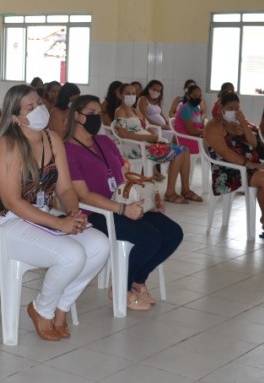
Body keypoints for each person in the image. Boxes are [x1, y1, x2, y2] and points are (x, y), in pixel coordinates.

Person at [0, 85, 108, 340]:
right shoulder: (8, 145)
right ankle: (41, 309)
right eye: (31, 108)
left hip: (41, 215)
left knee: (100, 245)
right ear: (16, 117)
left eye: (39, 103)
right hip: (5, 224)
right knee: (72, 255)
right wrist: (58, 223)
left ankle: (61, 307)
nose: (40, 109)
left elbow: (64, 187)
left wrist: (73, 213)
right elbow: (12, 202)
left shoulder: (52, 138)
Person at [65, 96, 183, 311]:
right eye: (90, 113)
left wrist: (149, 199)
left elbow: (125, 174)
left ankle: (138, 281)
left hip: (124, 200)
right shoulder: (69, 150)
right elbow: (82, 195)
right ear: (76, 116)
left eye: (98, 113)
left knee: (173, 233)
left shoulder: (104, 141)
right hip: (98, 211)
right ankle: (121, 287)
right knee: (149, 237)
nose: (95, 118)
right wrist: (122, 209)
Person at [204, 92, 264, 241]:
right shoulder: (213, 126)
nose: (234, 111)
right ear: (221, 108)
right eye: (230, 108)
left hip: (250, 166)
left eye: (237, 108)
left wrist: (244, 125)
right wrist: (249, 164)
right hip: (229, 170)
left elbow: (254, 143)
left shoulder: (236, 125)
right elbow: (225, 152)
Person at [112, 82, 200, 203]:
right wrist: (146, 138)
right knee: (178, 152)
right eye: (128, 93)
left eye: (133, 93)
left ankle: (186, 189)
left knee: (185, 150)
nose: (131, 96)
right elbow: (122, 133)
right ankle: (170, 193)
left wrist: (152, 133)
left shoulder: (135, 111)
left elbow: (145, 126)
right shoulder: (120, 111)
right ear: (120, 95)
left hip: (148, 144)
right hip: (137, 148)